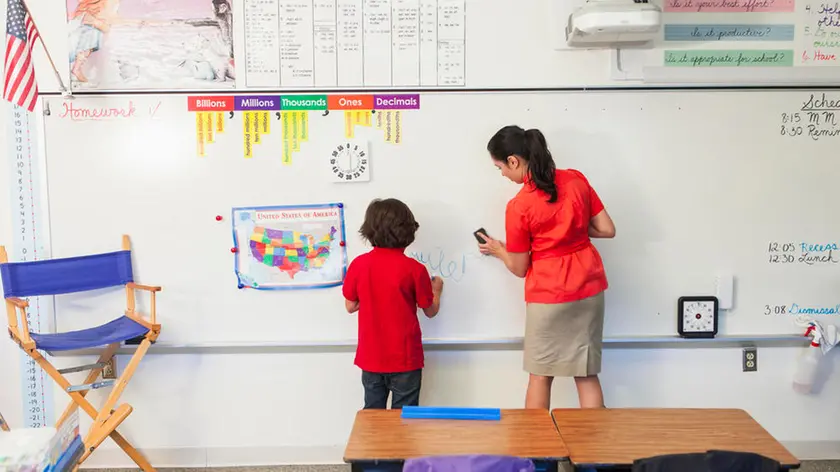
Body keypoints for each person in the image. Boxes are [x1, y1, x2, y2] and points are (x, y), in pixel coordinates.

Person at [477, 125, 615, 410]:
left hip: (549, 293)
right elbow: (607, 229)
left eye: (500, 167)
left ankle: (539, 454)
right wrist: (570, 230)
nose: (502, 173)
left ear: (514, 161)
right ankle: (594, 454)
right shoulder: (576, 179)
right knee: (586, 374)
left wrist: (499, 250)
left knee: (541, 376)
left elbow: (518, 267)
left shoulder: (520, 206)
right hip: (589, 287)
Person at [343, 198, 444, 409]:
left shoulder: (359, 265)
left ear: (369, 231)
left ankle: (375, 443)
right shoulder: (414, 269)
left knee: (373, 415)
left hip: (371, 358)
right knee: (404, 419)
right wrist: (437, 291)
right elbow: (430, 311)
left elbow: (350, 306)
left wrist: (371, 294)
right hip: (405, 359)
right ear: (408, 231)